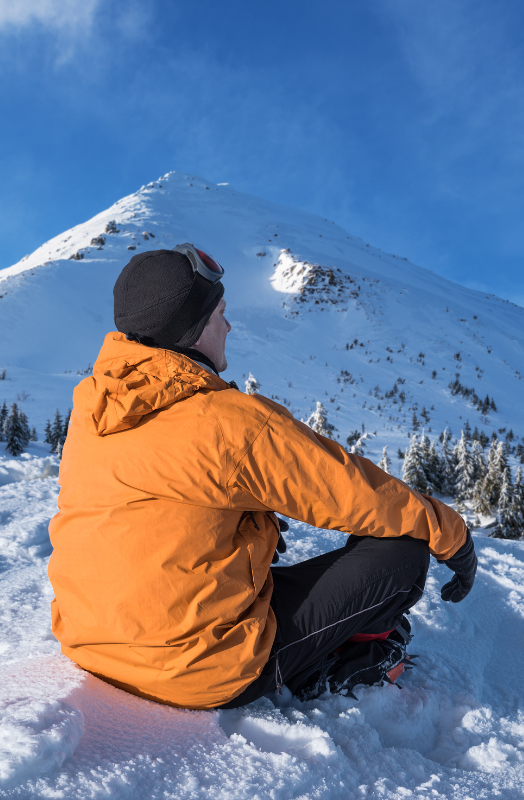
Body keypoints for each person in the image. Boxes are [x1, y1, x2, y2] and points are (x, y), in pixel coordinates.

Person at [47, 245, 476, 709]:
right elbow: (357, 493)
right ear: (193, 329)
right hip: (198, 673)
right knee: (403, 550)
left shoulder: (92, 412)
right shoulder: (228, 422)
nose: (228, 326)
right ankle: (347, 659)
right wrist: (453, 536)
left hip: (91, 648)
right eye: (220, 313)